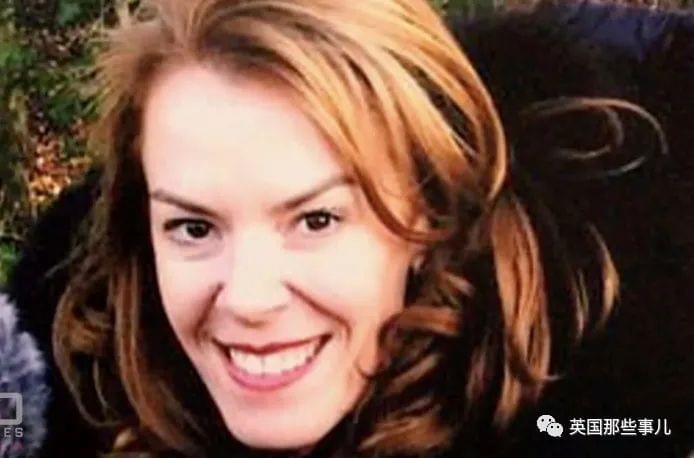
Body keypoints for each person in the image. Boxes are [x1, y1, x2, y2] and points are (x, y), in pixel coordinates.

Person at [2, 0, 692, 456]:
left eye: (316, 219)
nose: (249, 298)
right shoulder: (59, 392)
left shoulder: (586, 410)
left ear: (426, 217)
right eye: (192, 227)